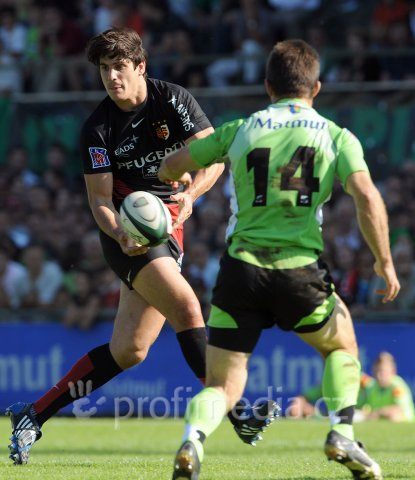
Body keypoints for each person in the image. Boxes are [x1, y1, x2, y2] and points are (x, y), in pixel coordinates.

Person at [6, 27, 275, 465]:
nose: (111, 77)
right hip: (128, 235)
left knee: (129, 351)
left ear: (140, 67)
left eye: (119, 67)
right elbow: (99, 200)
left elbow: (213, 159)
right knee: (188, 308)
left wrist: (191, 195)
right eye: (104, 69)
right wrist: (120, 233)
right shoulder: (97, 129)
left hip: (171, 226)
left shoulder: (173, 100)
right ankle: (237, 411)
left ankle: (33, 414)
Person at [158, 39, 400, 480]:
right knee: (341, 346)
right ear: (316, 88)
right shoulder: (336, 136)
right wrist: (384, 260)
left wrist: (173, 178)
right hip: (298, 270)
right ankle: (342, 432)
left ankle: (193, 439)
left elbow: (172, 166)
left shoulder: (240, 129)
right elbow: (366, 196)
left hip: (240, 271)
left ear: (268, 86)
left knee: (223, 385)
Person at [359, 352, 414, 422]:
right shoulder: (371, 386)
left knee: (394, 416)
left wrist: (378, 412)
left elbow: (398, 410)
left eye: (382, 371)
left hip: (406, 422)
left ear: (393, 371)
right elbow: (362, 408)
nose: (379, 375)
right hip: (379, 422)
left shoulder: (397, 386)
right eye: (376, 371)